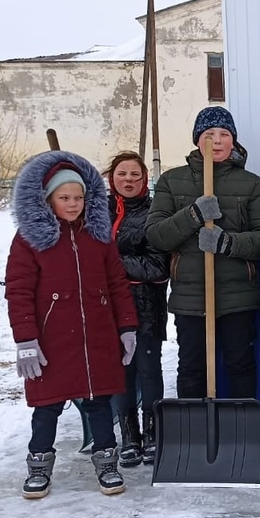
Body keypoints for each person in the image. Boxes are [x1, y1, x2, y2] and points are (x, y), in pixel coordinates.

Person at [5, 150, 138, 499]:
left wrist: (126, 327)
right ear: (48, 199)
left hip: (96, 336)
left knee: (98, 402)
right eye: (64, 197)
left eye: (79, 197)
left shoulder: (98, 236)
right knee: (47, 405)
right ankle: (39, 466)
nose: (73, 204)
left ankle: (107, 462)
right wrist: (26, 340)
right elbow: (18, 291)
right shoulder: (30, 240)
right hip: (52, 341)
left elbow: (117, 283)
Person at [146, 107, 260, 400]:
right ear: (197, 139)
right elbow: (157, 235)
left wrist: (227, 242)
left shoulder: (251, 184)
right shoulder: (172, 180)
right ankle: (194, 434)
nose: (216, 140)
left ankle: (240, 434)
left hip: (238, 296)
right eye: (209, 134)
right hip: (190, 298)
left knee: (240, 364)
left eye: (224, 134)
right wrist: (193, 214)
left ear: (233, 141)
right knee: (192, 367)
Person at [106, 151, 169, 468]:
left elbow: (157, 266)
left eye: (135, 174)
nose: (128, 180)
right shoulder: (96, 213)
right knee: (121, 373)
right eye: (122, 174)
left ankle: (153, 433)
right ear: (111, 178)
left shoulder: (155, 214)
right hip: (109, 309)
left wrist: (112, 265)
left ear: (145, 179)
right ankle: (129, 435)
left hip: (145, 305)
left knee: (148, 369)